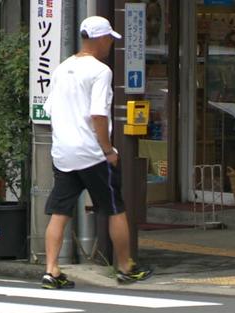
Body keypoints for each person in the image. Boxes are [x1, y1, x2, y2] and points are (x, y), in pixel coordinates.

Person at [41, 16, 153, 289]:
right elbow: (98, 115)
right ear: (100, 39)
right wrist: (108, 149)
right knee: (115, 208)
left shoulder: (62, 68)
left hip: (64, 153)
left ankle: (51, 270)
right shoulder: (100, 71)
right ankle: (126, 267)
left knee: (60, 211)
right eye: (109, 40)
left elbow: (49, 110)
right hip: (92, 153)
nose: (110, 45)